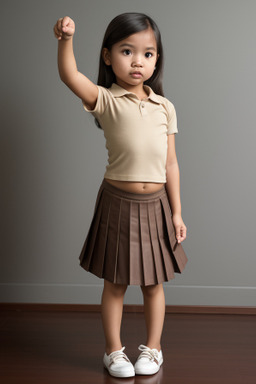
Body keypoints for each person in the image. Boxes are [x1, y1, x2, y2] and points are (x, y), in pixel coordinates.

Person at [53, 12, 188, 378]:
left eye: (147, 53)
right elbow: (70, 76)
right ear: (107, 56)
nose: (138, 61)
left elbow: (171, 164)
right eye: (127, 51)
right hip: (117, 202)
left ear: (156, 59)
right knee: (114, 283)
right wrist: (65, 40)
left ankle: (154, 349)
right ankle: (113, 352)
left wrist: (176, 213)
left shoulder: (165, 107)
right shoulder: (106, 100)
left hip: (156, 205)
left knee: (152, 283)